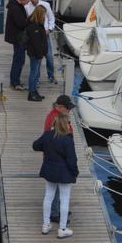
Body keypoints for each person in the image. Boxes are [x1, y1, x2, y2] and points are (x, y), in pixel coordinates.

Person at [33, 113, 78, 238]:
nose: (70, 125)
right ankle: (62, 229)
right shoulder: (68, 140)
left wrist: (47, 147)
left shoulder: (48, 136)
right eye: (69, 123)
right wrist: (75, 172)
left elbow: (35, 146)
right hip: (64, 174)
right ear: (66, 125)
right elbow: (72, 160)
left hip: (49, 171)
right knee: (64, 199)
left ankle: (46, 225)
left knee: (48, 196)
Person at [44, 94, 75, 224]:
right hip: (59, 160)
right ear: (61, 107)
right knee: (56, 190)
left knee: (54, 190)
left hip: (55, 158)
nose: (69, 111)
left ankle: (58, 210)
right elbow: (56, 140)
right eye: (68, 109)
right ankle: (55, 213)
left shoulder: (56, 115)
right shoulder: (55, 119)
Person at [25, 0, 56, 84]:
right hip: (34, 36)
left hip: (45, 35)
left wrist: (49, 29)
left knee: (49, 56)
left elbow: (51, 19)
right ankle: (36, 79)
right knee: (37, 57)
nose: (33, 1)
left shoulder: (46, 5)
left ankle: (51, 75)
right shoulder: (27, 7)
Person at [5, 0, 31, 90]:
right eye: (27, 1)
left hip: (16, 37)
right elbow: (21, 23)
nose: (28, 3)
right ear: (23, 0)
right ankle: (15, 82)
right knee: (19, 60)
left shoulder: (15, 6)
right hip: (17, 38)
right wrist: (29, 22)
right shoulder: (16, 8)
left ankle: (15, 81)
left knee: (19, 59)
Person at [25, 5, 48, 102]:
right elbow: (36, 43)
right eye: (43, 14)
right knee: (33, 73)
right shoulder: (34, 26)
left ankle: (34, 90)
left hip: (38, 53)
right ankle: (31, 93)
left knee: (36, 72)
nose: (45, 16)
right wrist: (40, 54)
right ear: (40, 14)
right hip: (35, 54)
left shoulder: (38, 24)